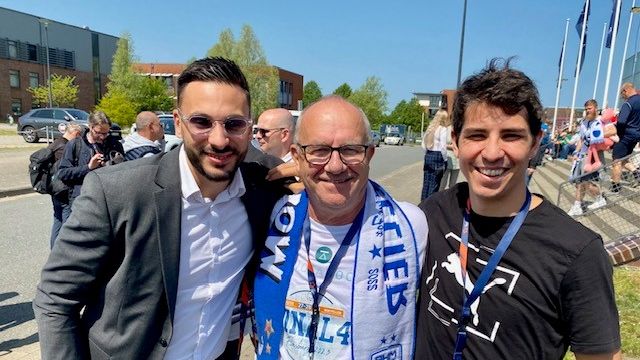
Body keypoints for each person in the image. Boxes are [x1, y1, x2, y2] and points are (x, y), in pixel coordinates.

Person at [33, 57, 289, 359]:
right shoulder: (117, 191)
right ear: (178, 124)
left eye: (234, 124)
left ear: (249, 127)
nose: (219, 140)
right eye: (202, 122)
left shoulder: (262, 185)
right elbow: (55, 298)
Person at [415, 59, 621, 359]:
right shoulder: (434, 212)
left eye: (511, 135)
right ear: (456, 142)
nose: (493, 153)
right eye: (477, 135)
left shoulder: (577, 252)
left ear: (535, 143)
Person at [253, 96, 427, 360]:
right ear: (298, 156)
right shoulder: (274, 213)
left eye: (350, 150)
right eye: (319, 150)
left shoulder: (414, 226)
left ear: (369, 154)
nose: (335, 166)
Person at [57, 111, 125, 209]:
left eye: (106, 133)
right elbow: (63, 173)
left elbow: (123, 172)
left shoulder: (114, 145)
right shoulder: (75, 145)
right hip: (83, 200)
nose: (102, 137)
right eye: (98, 132)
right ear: (90, 127)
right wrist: (88, 167)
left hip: (108, 199)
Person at [567, 99, 607, 216]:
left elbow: (611, 132)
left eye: (589, 108)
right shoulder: (584, 122)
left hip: (594, 155)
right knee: (580, 181)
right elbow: (581, 139)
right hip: (583, 155)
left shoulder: (600, 121)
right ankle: (577, 205)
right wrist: (576, 152)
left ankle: (599, 199)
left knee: (586, 182)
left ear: (595, 108)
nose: (587, 111)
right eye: (586, 109)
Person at [48, 122, 82, 248]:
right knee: (66, 223)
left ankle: (54, 250)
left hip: (54, 188)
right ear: (76, 133)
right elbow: (67, 171)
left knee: (57, 219)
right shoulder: (66, 147)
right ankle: (62, 254)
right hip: (64, 189)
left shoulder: (55, 143)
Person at [611, 82, 640, 192]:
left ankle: (615, 187)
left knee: (616, 161)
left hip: (626, 136)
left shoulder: (628, 103)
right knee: (623, 159)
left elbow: (621, 122)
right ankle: (636, 172)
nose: (622, 97)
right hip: (636, 136)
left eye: (622, 94)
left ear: (626, 91)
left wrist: (618, 133)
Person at [421, 109, 450, 200]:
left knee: (426, 183)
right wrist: (445, 160)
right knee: (435, 184)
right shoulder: (443, 129)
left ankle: (423, 203)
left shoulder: (430, 128)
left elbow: (423, 144)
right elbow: (443, 147)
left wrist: (427, 152)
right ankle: (430, 207)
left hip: (428, 155)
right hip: (438, 157)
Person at [439, 123, 460, 190]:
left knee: (453, 184)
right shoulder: (447, 129)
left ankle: (450, 199)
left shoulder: (461, 128)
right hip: (447, 158)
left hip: (457, 160)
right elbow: (441, 144)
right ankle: (440, 198)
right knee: (443, 183)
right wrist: (452, 146)